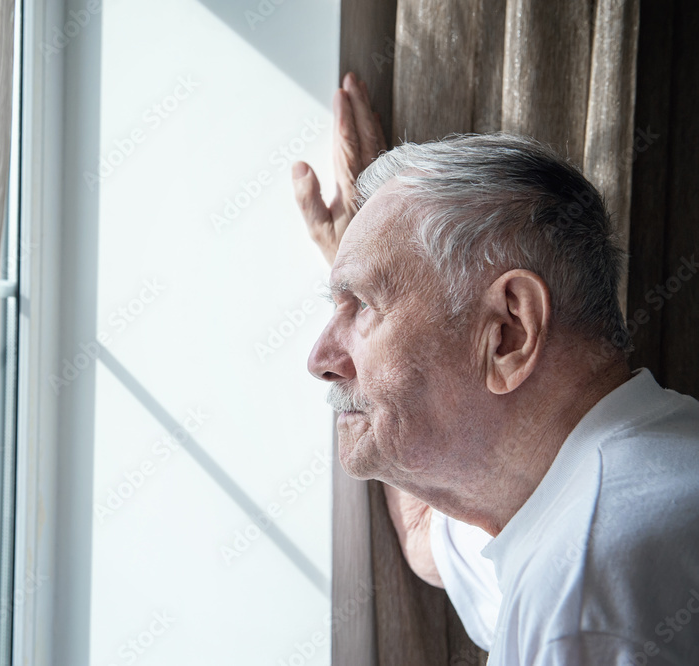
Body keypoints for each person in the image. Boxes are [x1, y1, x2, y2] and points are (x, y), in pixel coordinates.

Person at [293, 72, 699, 665]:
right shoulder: (615, 475)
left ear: (508, 332)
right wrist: (360, 263)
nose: (320, 361)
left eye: (362, 308)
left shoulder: (583, 598)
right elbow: (428, 538)